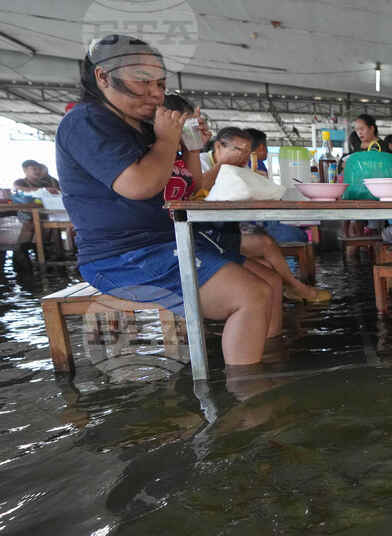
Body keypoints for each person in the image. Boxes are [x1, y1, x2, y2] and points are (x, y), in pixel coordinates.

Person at [56, 34, 284, 366]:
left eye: (160, 84)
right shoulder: (86, 121)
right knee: (250, 295)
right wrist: (166, 139)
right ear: (103, 76)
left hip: (166, 244)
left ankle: (270, 359)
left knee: (270, 281)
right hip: (124, 256)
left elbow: (186, 190)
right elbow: (139, 185)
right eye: (143, 81)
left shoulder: (141, 126)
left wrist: (189, 147)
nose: (156, 93)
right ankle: (248, 397)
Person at [165, 97, 328, 303]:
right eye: (237, 150)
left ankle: (293, 288)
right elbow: (197, 190)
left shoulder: (234, 167)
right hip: (202, 233)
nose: (243, 156)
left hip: (223, 229)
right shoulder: (201, 162)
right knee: (267, 247)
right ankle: (297, 287)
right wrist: (221, 165)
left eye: (246, 151)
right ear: (217, 148)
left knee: (270, 249)